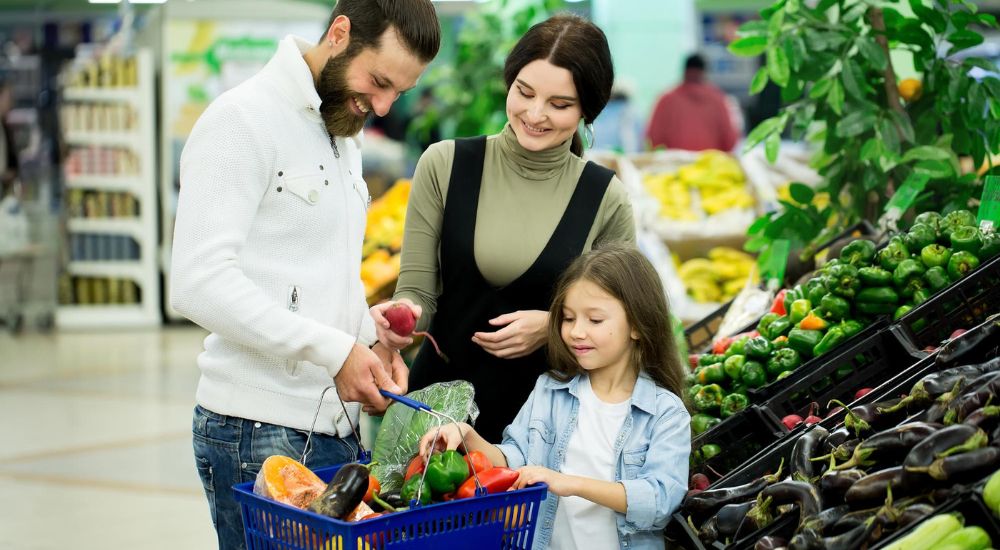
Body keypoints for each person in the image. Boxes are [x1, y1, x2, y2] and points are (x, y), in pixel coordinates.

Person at [168, 1, 440, 548]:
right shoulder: (242, 120)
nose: (383, 106)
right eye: (379, 81)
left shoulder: (342, 131)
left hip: (333, 430)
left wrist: (367, 335)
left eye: (399, 93)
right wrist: (335, 351)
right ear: (339, 33)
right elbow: (198, 280)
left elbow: (305, 272)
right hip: (257, 430)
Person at [371, 14, 636, 442]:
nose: (535, 114)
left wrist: (553, 328)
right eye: (524, 92)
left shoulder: (605, 198)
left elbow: (622, 323)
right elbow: (417, 289)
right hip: (434, 418)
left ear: (588, 109)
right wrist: (398, 320)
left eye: (559, 104)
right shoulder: (445, 165)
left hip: (544, 433)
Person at [419, 243, 691, 550]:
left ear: (638, 325)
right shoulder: (550, 390)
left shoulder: (665, 413)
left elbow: (660, 500)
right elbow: (516, 460)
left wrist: (570, 483)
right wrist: (467, 436)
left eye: (595, 320)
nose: (576, 332)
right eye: (569, 318)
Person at [645, 53, 738, 152]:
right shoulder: (718, 100)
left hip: (677, 160)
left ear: (684, 71)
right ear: (704, 72)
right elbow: (730, 140)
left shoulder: (666, 100)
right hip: (708, 160)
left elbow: (653, 137)